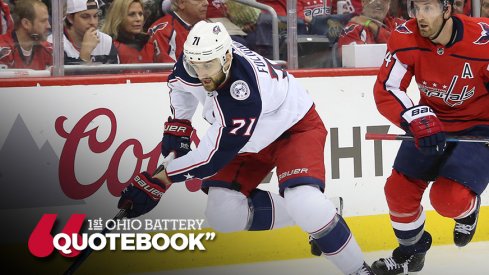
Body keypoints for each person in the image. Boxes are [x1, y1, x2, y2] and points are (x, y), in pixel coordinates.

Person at [117, 20, 375, 275]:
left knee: (304, 201)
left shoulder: (243, 92)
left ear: (227, 58)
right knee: (223, 214)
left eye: (209, 65)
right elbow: (179, 86)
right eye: (196, 66)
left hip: (292, 129)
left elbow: (211, 158)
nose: (202, 73)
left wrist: (162, 179)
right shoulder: (193, 62)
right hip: (247, 141)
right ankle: (324, 210)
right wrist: (179, 123)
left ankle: (357, 269)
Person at [371, 0, 489, 274]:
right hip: (432, 122)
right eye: (416, 9)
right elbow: (388, 87)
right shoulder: (404, 36)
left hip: (479, 126)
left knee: (449, 199)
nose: (420, 17)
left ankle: (467, 211)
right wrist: (417, 118)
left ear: (448, 9)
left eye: (429, 8)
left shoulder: (483, 39)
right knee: (398, 191)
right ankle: (411, 251)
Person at [49, 0, 119, 64]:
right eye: (85, 17)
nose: (93, 22)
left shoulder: (106, 41)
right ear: (70, 18)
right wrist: (85, 54)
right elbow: (67, 77)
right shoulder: (54, 43)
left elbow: (115, 75)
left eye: (95, 16)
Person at [0, 0, 52, 69]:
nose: (48, 26)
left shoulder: (48, 50)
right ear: (26, 24)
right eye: (43, 21)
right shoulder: (3, 50)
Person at [338, 0, 405, 49]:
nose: (378, 2)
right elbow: (362, 61)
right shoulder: (352, 31)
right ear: (363, 2)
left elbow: (407, 48)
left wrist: (373, 27)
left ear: (389, 3)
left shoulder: (399, 24)